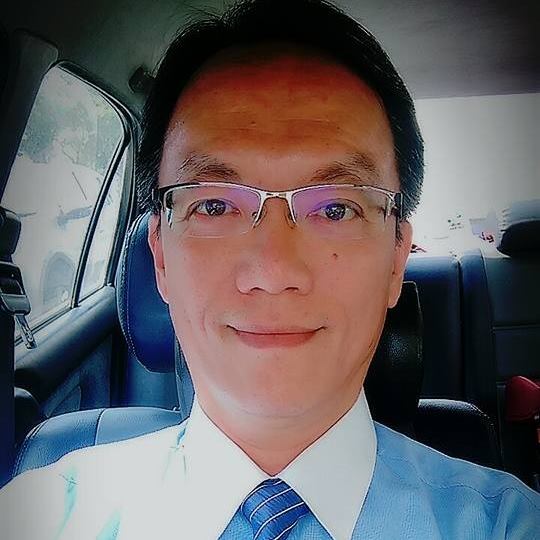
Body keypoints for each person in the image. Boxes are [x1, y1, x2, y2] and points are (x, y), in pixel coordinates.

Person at [1, 0, 539, 538]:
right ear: (160, 258)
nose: (273, 271)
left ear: (398, 257)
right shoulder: (43, 518)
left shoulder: (508, 525)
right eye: (215, 205)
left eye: (336, 209)